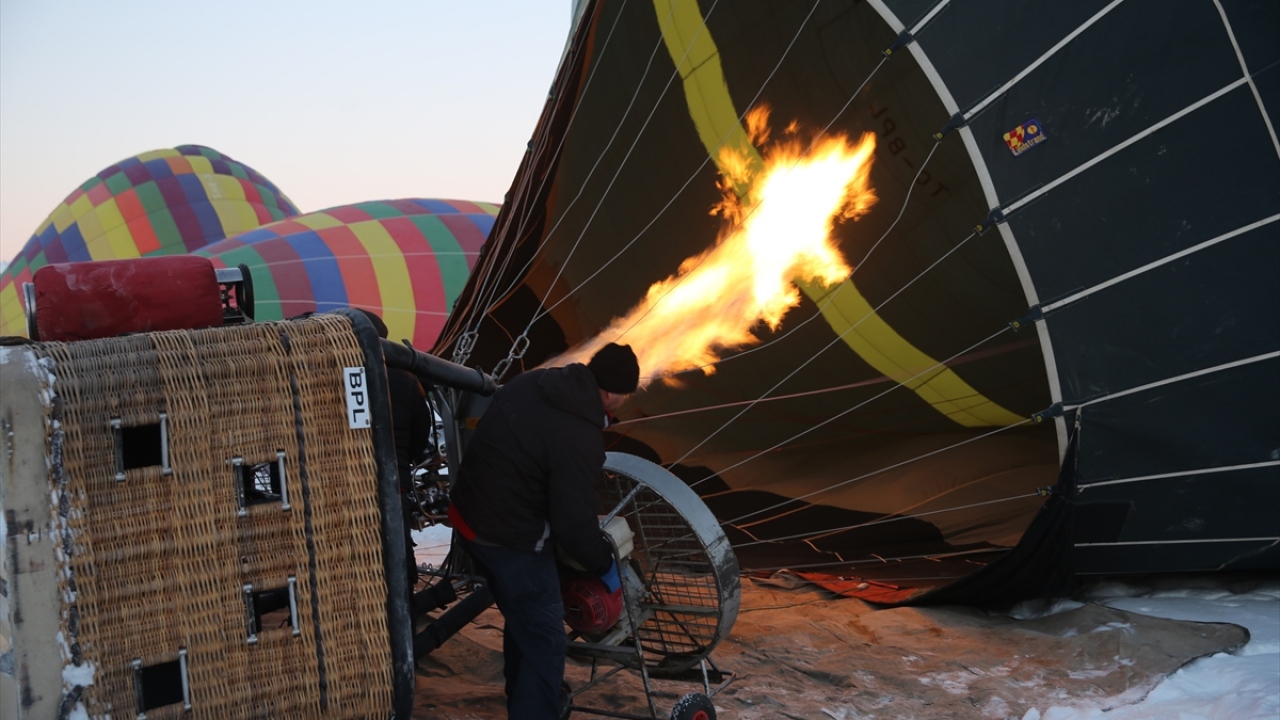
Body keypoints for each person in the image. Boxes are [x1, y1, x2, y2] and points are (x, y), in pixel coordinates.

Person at [447, 343, 640, 719]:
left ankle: (525, 697)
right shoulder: (580, 435)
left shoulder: (534, 381)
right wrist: (604, 565)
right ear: (613, 392)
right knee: (545, 637)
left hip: (470, 517)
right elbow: (573, 526)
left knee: (524, 618)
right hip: (510, 539)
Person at [356, 309, 433, 593]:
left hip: (347, 487)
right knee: (398, 555)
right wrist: (403, 462)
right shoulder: (408, 379)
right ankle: (404, 618)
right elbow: (420, 434)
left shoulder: (333, 374)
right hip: (395, 485)